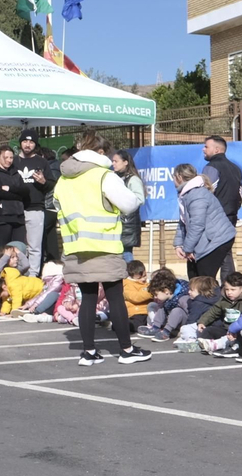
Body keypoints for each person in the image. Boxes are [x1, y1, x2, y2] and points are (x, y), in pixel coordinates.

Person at [56, 131, 147, 367]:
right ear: (99, 152)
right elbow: (129, 204)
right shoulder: (103, 176)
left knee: (87, 298)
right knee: (115, 297)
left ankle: (88, 352)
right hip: (104, 245)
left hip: (76, 246)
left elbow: (56, 205)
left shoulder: (64, 178)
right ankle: (126, 349)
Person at [172, 163, 236, 281]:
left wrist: (188, 249)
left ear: (179, 177)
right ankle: (201, 298)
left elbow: (197, 225)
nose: (173, 181)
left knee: (204, 280)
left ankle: (213, 298)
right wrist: (179, 244)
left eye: (174, 177)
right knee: (194, 277)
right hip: (205, 240)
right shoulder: (187, 194)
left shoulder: (197, 195)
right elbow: (183, 222)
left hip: (216, 240)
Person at [16, 128, 58, 275]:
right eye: (25, 141)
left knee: (35, 246)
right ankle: (18, 274)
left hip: (36, 208)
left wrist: (43, 181)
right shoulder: (14, 161)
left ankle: (33, 276)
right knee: (18, 246)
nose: (28, 145)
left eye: (31, 142)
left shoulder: (42, 162)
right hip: (16, 209)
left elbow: (51, 185)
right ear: (20, 143)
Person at [201, 136, 242, 279]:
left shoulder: (212, 167)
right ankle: (230, 287)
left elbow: (204, 193)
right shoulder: (236, 168)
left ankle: (208, 289)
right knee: (226, 253)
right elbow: (239, 197)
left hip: (215, 219)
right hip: (231, 216)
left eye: (206, 147)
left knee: (210, 254)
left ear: (217, 149)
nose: (203, 149)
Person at [0, 145, 27, 255]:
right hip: (2, 216)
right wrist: (18, 194)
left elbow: (25, 191)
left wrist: (9, 189)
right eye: (6, 157)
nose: (9, 160)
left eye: (11, 158)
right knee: (5, 250)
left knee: (19, 249)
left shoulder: (16, 173)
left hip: (18, 215)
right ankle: (3, 270)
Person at [111, 150, 143, 265]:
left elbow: (140, 200)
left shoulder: (133, 179)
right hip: (117, 224)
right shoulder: (114, 178)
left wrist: (124, 203)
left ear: (125, 162)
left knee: (126, 254)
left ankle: (131, 278)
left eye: (116, 161)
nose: (113, 164)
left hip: (127, 225)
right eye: (112, 161)